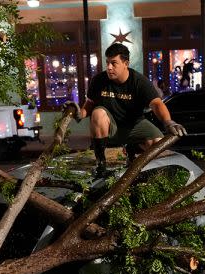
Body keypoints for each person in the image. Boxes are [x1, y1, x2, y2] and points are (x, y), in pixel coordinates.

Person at [72, 43, 186, 177]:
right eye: (107, 62)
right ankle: (101, 163)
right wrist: (79, 113)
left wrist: (168, 122)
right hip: (110, 127)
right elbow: (89, 104)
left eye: (114, 63)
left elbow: (157, 104)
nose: (109, 67)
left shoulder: (139, 81)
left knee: (158, 144)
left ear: (126, 63)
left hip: (134, 125)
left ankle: (133, 152)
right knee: (98, 113)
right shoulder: (99, 80)